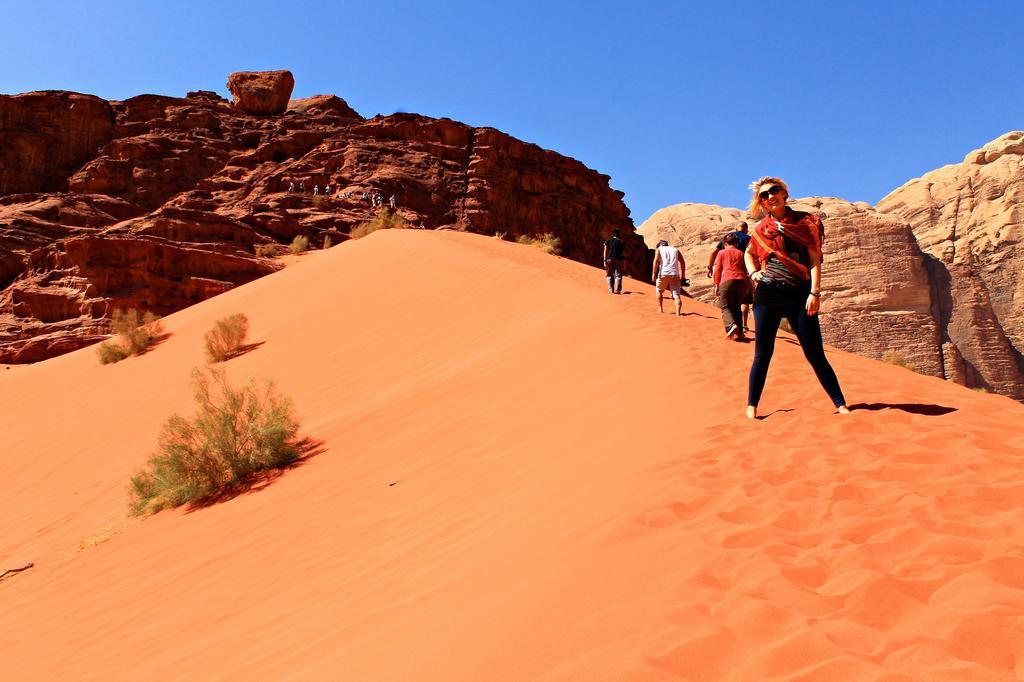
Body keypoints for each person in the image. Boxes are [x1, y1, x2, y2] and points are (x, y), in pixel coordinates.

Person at [743, 177, 850, 419]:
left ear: (784, 193)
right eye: (764, 195)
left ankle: (840, 403)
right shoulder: (761, 229)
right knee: (763, 353)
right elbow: (749, 253)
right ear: (761, 203)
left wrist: (815, 292)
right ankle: (752, 406)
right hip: (768, 294)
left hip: (800, 294)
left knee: (814, 353)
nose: (770, 196)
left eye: (774, 191)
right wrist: (753, 273)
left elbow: (814, 261)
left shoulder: (806, 222)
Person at [707, 221, 752, 330]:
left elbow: (718, 269)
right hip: (742, 281)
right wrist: (751, 283)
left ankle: (731, 325)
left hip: (727, 279)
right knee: (740, 305)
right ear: (746, 229)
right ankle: (741, 328)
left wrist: (716, 283)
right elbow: (748, 265)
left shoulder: (722, 251)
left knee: (726, 307)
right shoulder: (744, 249)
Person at [652, 239, 685, 315]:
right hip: (675, 274)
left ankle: (660, 309)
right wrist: (683, 275)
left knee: (659, 290)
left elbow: (656, 261)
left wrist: (654, 273)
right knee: (676, 295)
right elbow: (682, 262)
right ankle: (678, 313)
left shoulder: (659, 249)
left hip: (663, 273)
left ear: (660, 245)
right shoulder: (675, 250)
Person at [603, 228, 625, 294]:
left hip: (609, 259)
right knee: (618, 275)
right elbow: (623, 254)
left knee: (609, 275)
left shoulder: (608, 241)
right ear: (618, 234)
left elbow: (605, 250)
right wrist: (624, 263)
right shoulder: (621, 242)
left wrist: (604, 260)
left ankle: (610, 289)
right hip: (619, 260)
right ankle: (617, 290)